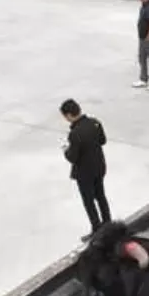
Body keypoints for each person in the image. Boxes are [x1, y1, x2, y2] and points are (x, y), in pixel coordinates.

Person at [60, 99, 110, 239]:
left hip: (84, 173)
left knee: (89, 201)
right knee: (100, 196)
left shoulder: (75, 133)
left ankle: (96, 228)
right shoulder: (95, 123)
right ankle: (108, 224)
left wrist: (66, 150)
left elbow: (73, 157)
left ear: (69, 115)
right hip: (99, 167)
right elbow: (103, 141)